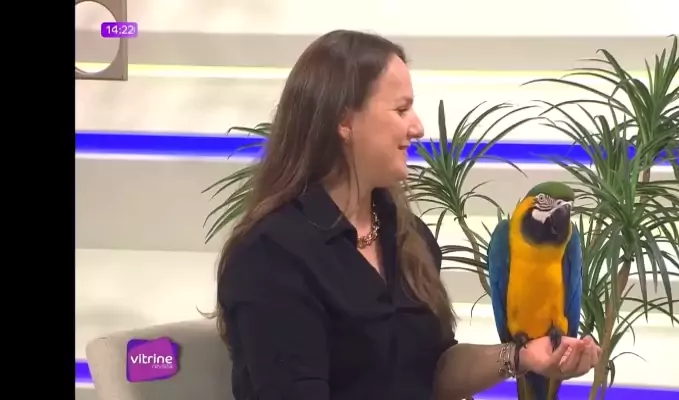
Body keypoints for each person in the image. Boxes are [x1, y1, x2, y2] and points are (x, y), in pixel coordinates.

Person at [211, 29, 601, 400]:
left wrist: (521, 357)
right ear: (344, 122)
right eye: (401, 109)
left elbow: (432, 371)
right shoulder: (272, 254)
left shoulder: (408, 235)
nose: (417, 127)